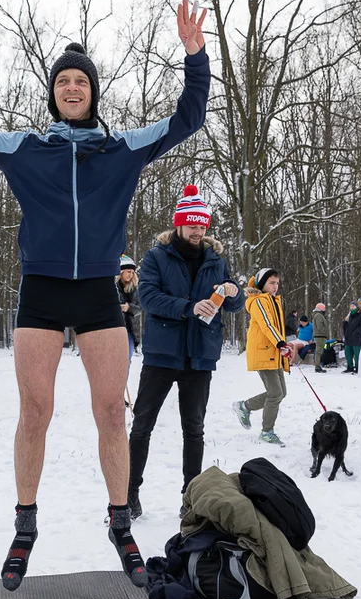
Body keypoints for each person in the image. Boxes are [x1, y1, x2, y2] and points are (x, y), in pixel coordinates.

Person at [0, 1, 210, 590]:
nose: (70, 87)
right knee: (35, 412)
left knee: (113, 412)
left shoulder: (124, 147)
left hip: (95, 293)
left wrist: (195, 56)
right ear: (52, 93)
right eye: (61, 80)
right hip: (39, 290)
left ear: (92, 92)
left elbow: (189, 117)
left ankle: (120, 523)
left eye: (79, 80)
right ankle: (25, 526)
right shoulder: (25, 148)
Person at [128, 186, 242, 519]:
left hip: (200, 357)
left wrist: (233, 292)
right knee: (142, 427)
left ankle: (189, 499)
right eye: (192, 225)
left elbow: (234, 303)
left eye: (203, 226)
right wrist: (188, 308)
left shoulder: (215, 260)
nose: (198, 232)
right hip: (162, 356)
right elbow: (147, 298)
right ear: (179, 225)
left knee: (194, 430)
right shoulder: (156, 257)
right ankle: (130, 493)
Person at [233, 268, 290, 446]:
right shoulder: (258, 301)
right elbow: (267, 325)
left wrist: (283, 345)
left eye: (277, 283)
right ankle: (267, 432)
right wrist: (280, 343)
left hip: (273, 351)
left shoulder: (272, 301)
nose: (275, 287)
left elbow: (276, 327)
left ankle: (245, 406)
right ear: (261, 284)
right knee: (275, 393)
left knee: (281, 393)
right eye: (271, 283)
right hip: (264, 351)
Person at [117, 255, 141, 362]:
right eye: (128, 271)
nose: (130, 275)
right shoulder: (112, 287)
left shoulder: (136, 289)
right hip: (114, 330)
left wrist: (129, 308)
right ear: (121, 272)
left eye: (132, 272)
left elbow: (141, 307)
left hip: (130, 332)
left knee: (126, 361)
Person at [341, 300, 361, 374]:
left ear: (356, 307)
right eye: (351, 306)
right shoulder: (350, 316)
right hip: (348, 338)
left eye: (353, 306)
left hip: (357, 339)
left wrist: (355, 333)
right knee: (348, 354)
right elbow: (345, 327)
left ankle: (358, 368)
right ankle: (350, 367)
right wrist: (345, 322)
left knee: (357, 355)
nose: (352, 307)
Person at [312, 302, 330, 373]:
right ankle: (317, 366)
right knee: (319, 352)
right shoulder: (319, 315)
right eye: (324, 308)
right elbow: (320, 326)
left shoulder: (317, 315)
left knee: (318, 351)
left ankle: (318, 365)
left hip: (319, 335)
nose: (325, 309)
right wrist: (325, 331)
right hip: (320, 335)